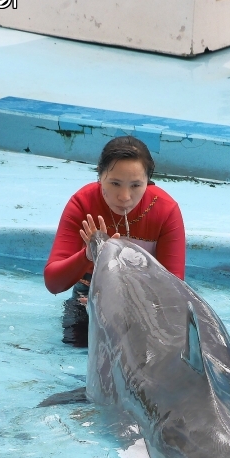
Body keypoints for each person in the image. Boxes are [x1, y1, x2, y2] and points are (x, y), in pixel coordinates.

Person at [44, 135, 185, 347]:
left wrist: (128, 304)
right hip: (89, 298)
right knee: (76, 347)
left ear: (148, 181)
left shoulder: (164, 211)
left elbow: (173, 293)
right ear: (99, 176)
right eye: (115, 183)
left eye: (136, 185)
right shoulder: (83, 204)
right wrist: (87, 255)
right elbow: (53, 283)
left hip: (145, 305)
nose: (125, 196)